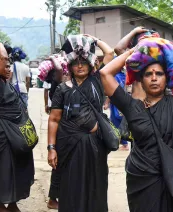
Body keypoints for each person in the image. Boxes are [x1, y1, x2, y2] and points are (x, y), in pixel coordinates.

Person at [100, 37, 173, 211]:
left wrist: (168, 46)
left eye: (159, 74)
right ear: (141, 79)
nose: (154, 78)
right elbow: (105, 74)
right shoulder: (131, 107)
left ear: (166, 77)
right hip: (141, 181)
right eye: (148, 74)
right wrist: (137, 51)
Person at [47, 34, 113, 212]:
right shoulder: (62, 89)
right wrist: (51, 148)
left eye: (84, 61)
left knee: (96, 185)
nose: (80, 65)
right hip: (68, 146)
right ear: (70, 65)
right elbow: (53, 119)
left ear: (91, 63)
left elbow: (110, 53)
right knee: (70, 186)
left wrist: (94, 40)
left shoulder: (98, 82)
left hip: (95, 146)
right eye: (76, 62)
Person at [0, 42, 35, 212]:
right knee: (2, 168)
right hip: (1, 134)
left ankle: (13, 202)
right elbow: (4, 57)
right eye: (4, 67)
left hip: (17, 133)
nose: (8, 69)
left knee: (19, 166)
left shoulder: (8, 84)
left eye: (9, 67)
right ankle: (0, 204)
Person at [43, 57, 64, 210]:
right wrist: (53, 58)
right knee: (59, 165)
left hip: (64, 129)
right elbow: (59, 70)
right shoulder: (58, 85)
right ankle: (52, 198)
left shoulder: (57, 85)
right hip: (61, 129)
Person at [103, 68, 129, 150]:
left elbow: (114, 91)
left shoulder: (116, 77)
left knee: (116, 122)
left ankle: (124, 144)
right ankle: (122, 142)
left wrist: (107, 102)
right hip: (123, 102)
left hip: (117, 103)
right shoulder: (125, 75)